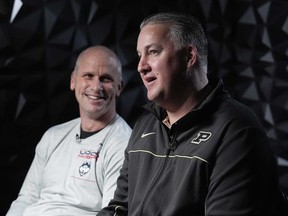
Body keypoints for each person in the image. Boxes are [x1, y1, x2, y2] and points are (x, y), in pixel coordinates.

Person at [98, 12, 282, 215]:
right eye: (140, 55)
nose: (141, 66)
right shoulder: (145, 125)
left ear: (189, 56)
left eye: (153, 52)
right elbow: (120, 208)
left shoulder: (237, 130)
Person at [6, 45, 132, 216]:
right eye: (88, 76)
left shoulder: (123, 145)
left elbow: (112, 213)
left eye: (106, 79)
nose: (96, 87)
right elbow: (26, 199)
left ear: (119, 87)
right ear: (73, 80)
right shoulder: (53, 136)